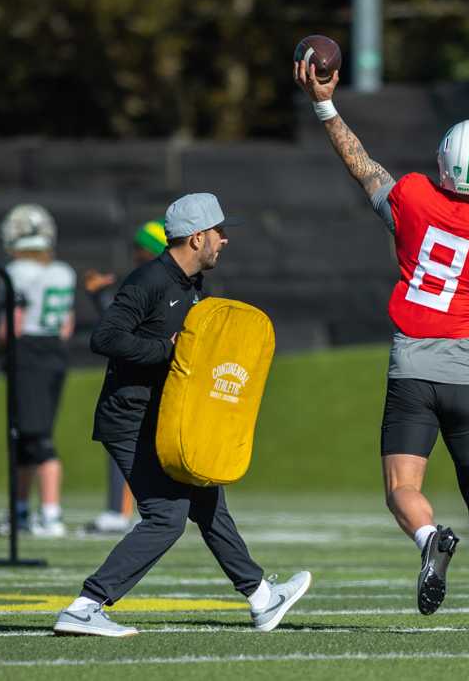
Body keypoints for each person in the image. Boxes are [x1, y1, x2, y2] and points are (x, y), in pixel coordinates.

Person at [295, 61, 469, 631]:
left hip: (412, 364)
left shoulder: (413, 199)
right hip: (468, 371)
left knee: (402, 488)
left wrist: (325, 104)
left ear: (444, 164)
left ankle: (430, 537)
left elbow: (363, 167)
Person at [53, 192, 311, 637]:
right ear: (196, 238)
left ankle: (261, 598)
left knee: (208, 500)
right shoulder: (149, 280)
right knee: (166, 518)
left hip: (164, 416)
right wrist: (166, 353)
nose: (225, 241)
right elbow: (106, 338)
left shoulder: (192, 285)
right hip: (129, 418)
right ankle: (85, 606)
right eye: (219, 233)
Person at [0, 204, 75, 538]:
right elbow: (66, 326)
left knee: (37, 439)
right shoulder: (63, 271)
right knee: (25, 436)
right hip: (54, 352)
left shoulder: (16, 272)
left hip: (29, 354)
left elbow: (15, 324)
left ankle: (52, 515)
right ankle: (22, 512)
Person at [81, 218, 169, 535]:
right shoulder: (161, 281)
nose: (135, 254)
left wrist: (102, 297)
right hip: (155, 373)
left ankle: (121, 511)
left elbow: (118, 332)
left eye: (140, 248)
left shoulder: (152, 282)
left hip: (150, 376)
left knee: (129, 438)